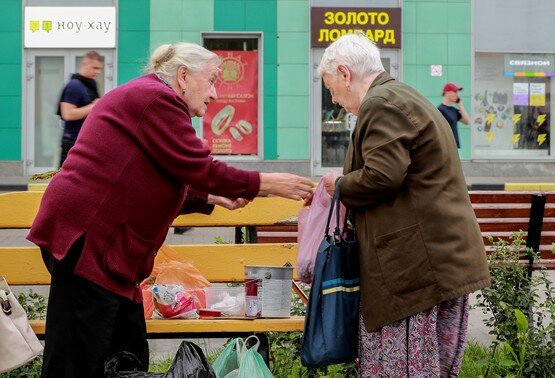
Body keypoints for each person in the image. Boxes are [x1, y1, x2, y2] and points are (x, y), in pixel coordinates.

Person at [28, 42, 314, 378]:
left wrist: (210, 198)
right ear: (182, 76)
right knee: (79, 361)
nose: (214, 93)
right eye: (210, 80)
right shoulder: (156, 99)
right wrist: (267, 183)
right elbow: (197, 166)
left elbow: (157, 174)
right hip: (88, 244)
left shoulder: (151, 98)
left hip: (106, 252)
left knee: (126, 352)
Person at [313, 34, 490, 376]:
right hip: (435, 263)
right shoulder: (400, 96)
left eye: (330, 86)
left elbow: (382, 176)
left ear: (345, 73)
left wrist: (339, 184)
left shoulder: (381, 103)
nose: (333, 97)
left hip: (416, 271)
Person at [57, 50, 103, 167]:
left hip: (85, 141)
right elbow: (67, 114)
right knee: (64, 182)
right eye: (94, 68)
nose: (97, 72)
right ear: (85, 64)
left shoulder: (91, 85)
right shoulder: (74, 85)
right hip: (72, 142)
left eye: (99, 69)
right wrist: (93, 106)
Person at [437, 82, 471, 148]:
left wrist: (460, 106)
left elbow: (467, 122)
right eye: (455, 92)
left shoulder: (454, 110)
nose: (457, 95)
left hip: (454, 146)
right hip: (445, 146)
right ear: (447, 93)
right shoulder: (440, 110)